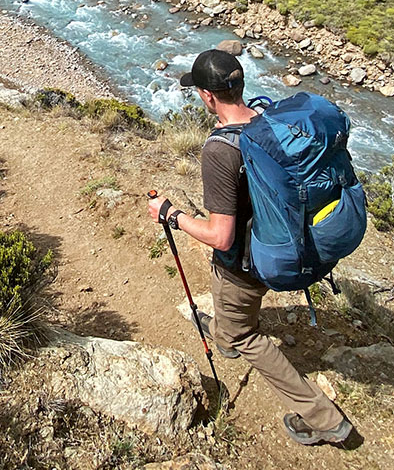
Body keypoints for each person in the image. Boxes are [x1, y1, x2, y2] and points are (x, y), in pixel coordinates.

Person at [148, 48, 353, 446]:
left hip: (242, 262)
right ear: (239, 85)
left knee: (246, 337)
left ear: (207, 97)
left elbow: (220, 236)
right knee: (232, 315)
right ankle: (224, 332)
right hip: (278, 243)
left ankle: (324, 419)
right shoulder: (269, 123)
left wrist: (170, 213)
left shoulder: (219, 150)